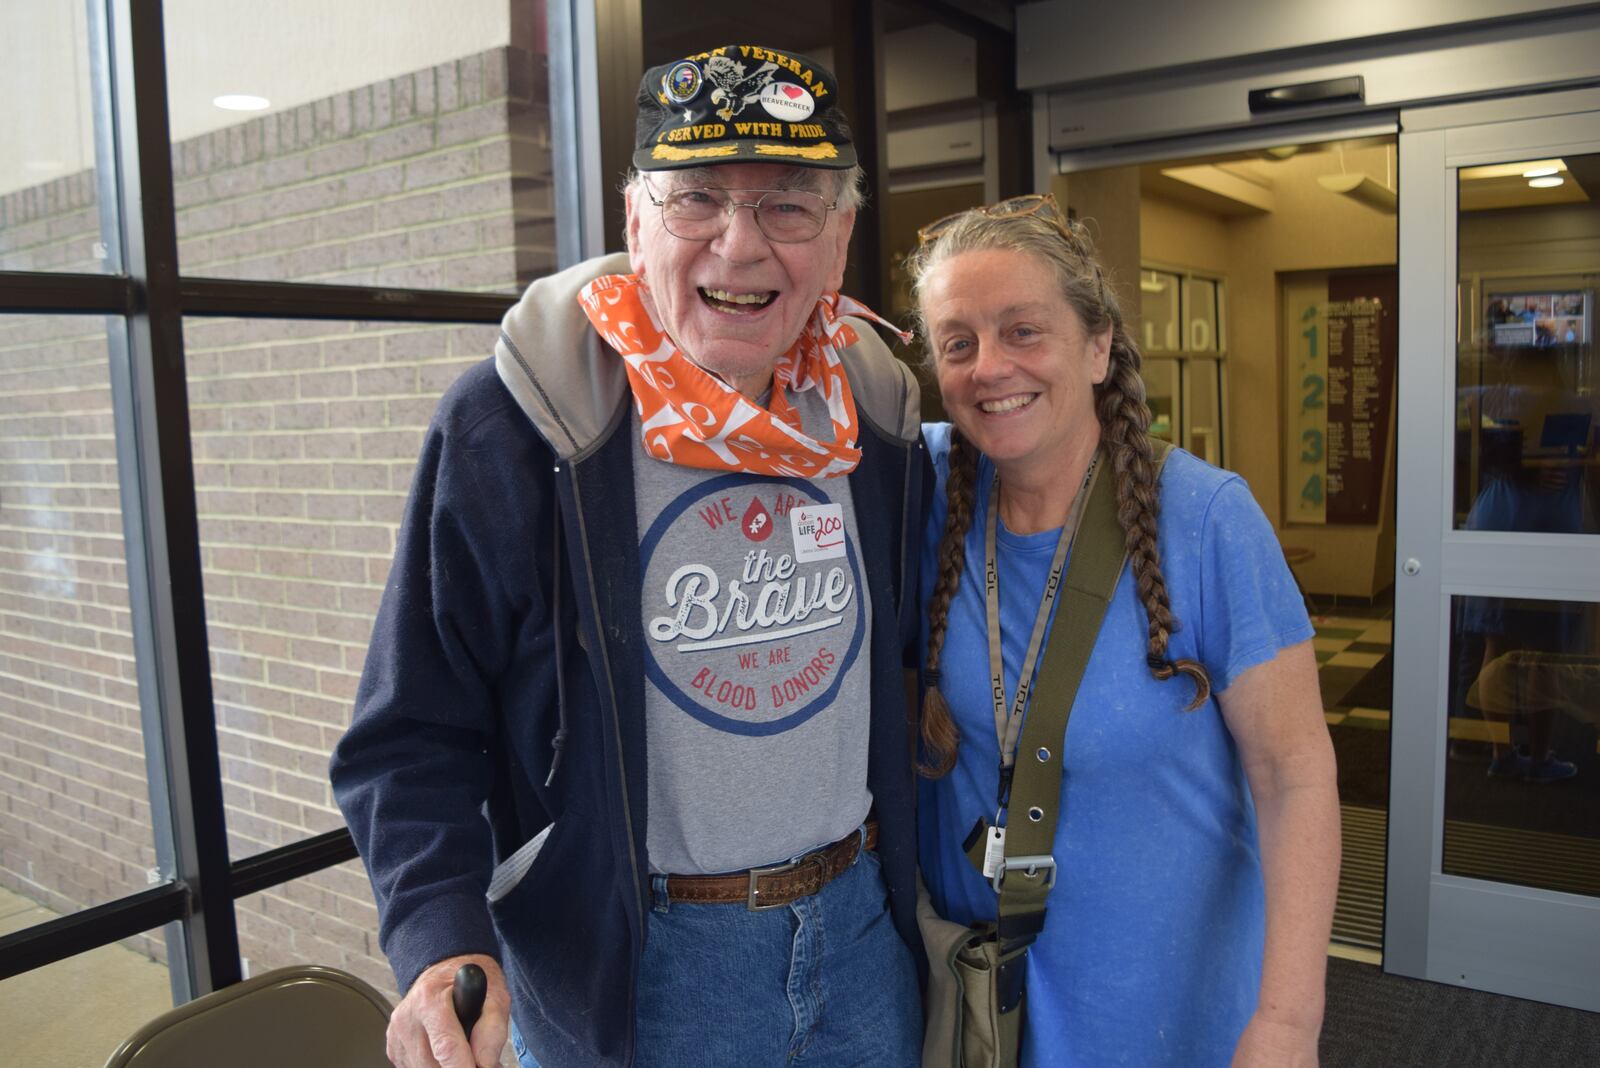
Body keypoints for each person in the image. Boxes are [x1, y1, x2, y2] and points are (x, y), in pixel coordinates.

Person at [331, 44, 926, 1068]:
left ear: (839, 239)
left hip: (861, 934)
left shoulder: (872, 410)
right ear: (633, 219)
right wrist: (438, 936)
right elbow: (411, 731)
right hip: (635, 965)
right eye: (696, 198)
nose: (739, 247)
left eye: (789, 206)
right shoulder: (523, 423)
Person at [908, 194, 1341, 1066]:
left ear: (1098, 345)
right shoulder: (924, 490)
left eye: (1023, 330)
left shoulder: (1209, 520)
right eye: (958, 342)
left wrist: (1289, 1021)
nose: (990, 366)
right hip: (985, 1004)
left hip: (1164, 1005)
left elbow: (1294, 775)